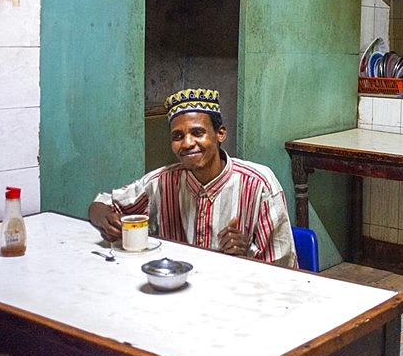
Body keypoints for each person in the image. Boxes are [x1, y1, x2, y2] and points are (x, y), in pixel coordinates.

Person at [89, 88, 297, 268]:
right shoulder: (161, 182)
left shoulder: (258, 185)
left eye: (198, 133)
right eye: (177, 136)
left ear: (220, 134)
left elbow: (283, 269)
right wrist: (102, 216)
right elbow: (103, 204)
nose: (187, 143)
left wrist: (246, 253)